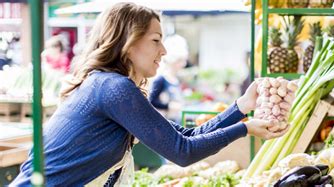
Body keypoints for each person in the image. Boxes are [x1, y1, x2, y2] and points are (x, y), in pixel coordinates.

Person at [11, 3, 287, 186]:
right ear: (128, 43)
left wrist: (241, 106)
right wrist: (245, 129)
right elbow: (183, 152)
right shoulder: (113, 88)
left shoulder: (108, 85)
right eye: (156, 40)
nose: (164, 51)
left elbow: (184, 138)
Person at [149, 34, 188, 123]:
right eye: (180, 60)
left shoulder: (176, 79)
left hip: (176, 122)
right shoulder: (161, 80)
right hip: (165, 123)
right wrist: (168, 106)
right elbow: (151, 101)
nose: (183, 64)